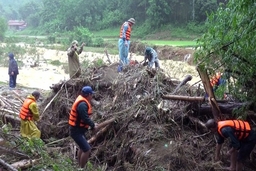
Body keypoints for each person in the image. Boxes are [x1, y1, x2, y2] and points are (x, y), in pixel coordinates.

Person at [69, 86, 99, 168]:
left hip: (79, 130)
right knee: (87, 149)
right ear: (89, 94)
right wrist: (93, 125)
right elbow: (84, 118)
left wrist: (92, 124)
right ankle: (81, 168)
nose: (92, 96)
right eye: (91, 94)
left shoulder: (82, 101)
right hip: (76, 131)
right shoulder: (82, 104)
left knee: (82, 148)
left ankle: (79, 166)